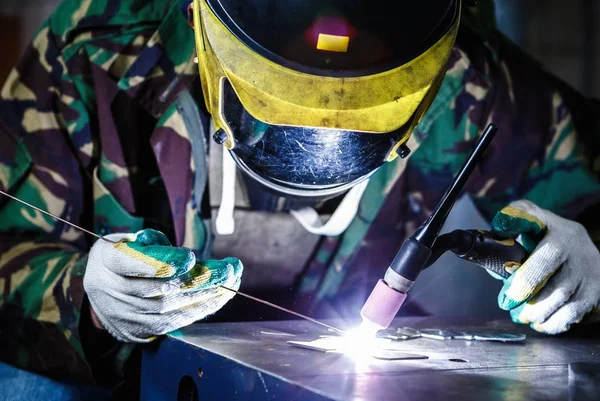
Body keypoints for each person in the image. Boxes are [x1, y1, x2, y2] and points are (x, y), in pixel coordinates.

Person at [1, 0, 599, 398]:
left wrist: (590, 258)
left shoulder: (467, 65)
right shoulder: (96, 49)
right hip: (123, 376)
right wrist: (91, 299)